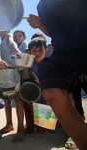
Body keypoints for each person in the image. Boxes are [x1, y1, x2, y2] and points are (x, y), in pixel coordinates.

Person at [27, 0, 87, 149]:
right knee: (51, 91)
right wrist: (40, 25)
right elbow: (51, 31)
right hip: (62, 51)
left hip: (84, 42)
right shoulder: (42, 6)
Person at [0, 30, 25, 143]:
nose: (2, 31)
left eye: (4, 28)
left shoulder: (9, 36)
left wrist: (18, 53)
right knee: (6, 99)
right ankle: (9, 124)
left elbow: (11, 43)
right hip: (4, 71)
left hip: (12, 70)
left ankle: (20, 129)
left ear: (8, 30)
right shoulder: (0, 41)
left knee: (17, 99)